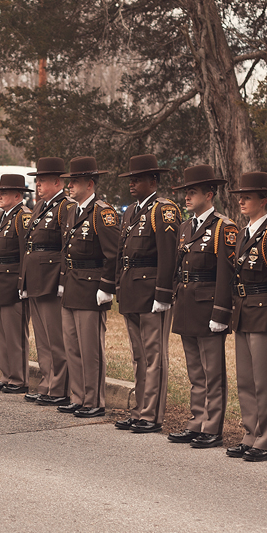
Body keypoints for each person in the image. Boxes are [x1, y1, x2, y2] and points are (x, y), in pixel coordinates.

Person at [166, 165, 238, 448]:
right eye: (186, 192)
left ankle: (212, 426)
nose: (187, 197)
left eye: (193, 192)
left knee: (212, 372)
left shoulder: (224, 227)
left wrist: (221, 312)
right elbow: (177, 266)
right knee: (195, 370)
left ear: (209, 194)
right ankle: (196, 420)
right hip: (187, 304)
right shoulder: (185, 227)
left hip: (208, 307)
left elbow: (226, 273)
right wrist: (174, 292)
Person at [114, 154, 181, 434]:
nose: (132, 184)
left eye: (138, 179)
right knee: (139, 355)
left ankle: (152, 414)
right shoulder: (131, 211)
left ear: (153, 181)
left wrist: (163, 294)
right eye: (131, 179)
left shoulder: (163, 210)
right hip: (132, 288)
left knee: (154, 354)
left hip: (152, 290)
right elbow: (122, 252)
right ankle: (140, 408)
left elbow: (169, 255)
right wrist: (119, 284)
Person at [226, 171, 267, 462]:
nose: (241, 201)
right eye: (240, 196)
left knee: (265, 381)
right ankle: (250, 433)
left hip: (264, 315)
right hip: (243, 312)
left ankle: (266, 440)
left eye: (248, 197)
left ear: (264, 202)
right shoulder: (243, 234)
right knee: (245, 380)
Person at [58, 157, 120, 418]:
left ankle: (94, 399)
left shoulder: (102, 212)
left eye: (75, 182)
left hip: (92, 288)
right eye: (69, 181)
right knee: (72, 345)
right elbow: (67, 250)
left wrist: (106, 286)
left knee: (90, 347)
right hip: (73, 285)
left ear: (90, 184)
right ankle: (78, 396)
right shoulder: (73, 210)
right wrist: (62, 282)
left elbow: (113, 253)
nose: (70, 186)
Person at [19, 157, 73, 405]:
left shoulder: (65, 207)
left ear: (57, 181)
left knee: (55, 337)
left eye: (42, 180)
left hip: (51, 278)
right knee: (42, 337)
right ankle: (46, 382)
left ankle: (59, 387)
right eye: (37, 180)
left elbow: (66, 246)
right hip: (36, 278)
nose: (38, 185)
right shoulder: (40, 207)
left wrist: (62, 278)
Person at [0, 174, 33, 394]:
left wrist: (23, 283)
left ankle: (19, 378)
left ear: (17, 195)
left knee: (15, 334)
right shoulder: (1, 216)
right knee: (1, 331)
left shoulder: (23, 216)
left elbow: (26, 253)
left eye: (4, 192)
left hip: (13, 280)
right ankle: (6, 375)